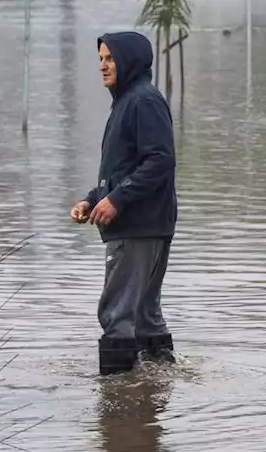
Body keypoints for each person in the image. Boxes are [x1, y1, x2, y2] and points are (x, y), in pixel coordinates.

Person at [71, 31, 178, 375]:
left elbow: (160, 160)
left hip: (136, 226)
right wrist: (93, 200)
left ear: (129, 60)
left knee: (117, 314)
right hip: (145, 223)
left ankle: (118, 408)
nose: (103, 66)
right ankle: (156, 390)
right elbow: (126, 167)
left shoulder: (141, 101)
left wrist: (117, 200)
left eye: (110, 58)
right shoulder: (128, 101)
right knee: (145, 316)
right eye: (100, 59)